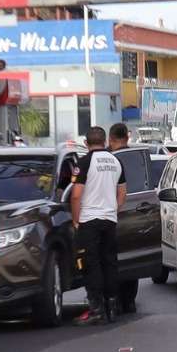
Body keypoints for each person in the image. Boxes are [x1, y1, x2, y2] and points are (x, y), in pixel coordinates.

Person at [70, 125, 125, 325]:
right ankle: (112, 305)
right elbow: (122, 194)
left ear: (86, 143)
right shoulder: (116, 161)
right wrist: (112, 210)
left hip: (89, 221)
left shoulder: (84, 162)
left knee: (89, 264)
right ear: (105, 141)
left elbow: (76, 195)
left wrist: (76, 220)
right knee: (109, 262)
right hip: (109, 220)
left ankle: (96, 309)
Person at [106, 123, 141, 315]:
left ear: (110, 139)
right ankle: (129, 301)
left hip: (112, 213)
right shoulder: (136, 158)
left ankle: (116, 300)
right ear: (127, 138)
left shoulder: (106, 159)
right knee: (132, 258)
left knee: (112, 260)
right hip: (135, 212)